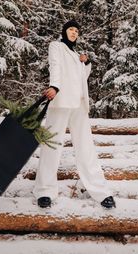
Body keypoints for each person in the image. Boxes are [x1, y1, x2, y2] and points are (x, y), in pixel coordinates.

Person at [33, 20, 116, 209]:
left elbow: (81, 78)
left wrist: (86, 63)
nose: (74, 32)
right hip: (60, 101)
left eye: (77, 30)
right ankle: (44, 190)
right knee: (51, 145)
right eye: (71, 29)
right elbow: (55, 66)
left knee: (86, 147)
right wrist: (54, 86)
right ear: (64, 31)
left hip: (79, 104)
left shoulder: (76, 54)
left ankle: (100, 190)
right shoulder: (56, 46)